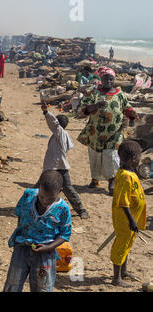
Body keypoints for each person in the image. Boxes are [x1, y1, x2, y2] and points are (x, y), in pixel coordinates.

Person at [3, 170, 72, 292]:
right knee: (13, 284)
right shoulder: (28, 195)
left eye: (50, 198)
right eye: (42, 196)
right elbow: (20, 214)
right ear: (38, 186)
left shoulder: (63, 209)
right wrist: (23, 234)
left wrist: (48, 247)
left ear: (60, 191)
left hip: (45, 255)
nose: (45, 201)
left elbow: (65, 234)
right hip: (22, 248)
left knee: (42, 287)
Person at [77, 67, 138, 195]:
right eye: (106, 78)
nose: (109, 81)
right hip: (95, 133)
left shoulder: (120, 94)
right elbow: (84, 109)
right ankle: (95, 179)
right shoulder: (94, 92)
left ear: (114, 79)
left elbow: (127, 107)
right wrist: (96, 105)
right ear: (101, 79)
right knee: (95, 156)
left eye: (111, 79)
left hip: (114, 134)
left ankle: (112, 182)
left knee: (111, 157)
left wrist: (132, 115)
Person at [39, 102, 90, 219]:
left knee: (45, 187)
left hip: (55, 167)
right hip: (58, 165)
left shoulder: (59, 132)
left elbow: (54, 123)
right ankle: (81, 210)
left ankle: (81, 209)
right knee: (66, 188)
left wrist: (46, 112)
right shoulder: (63, 135)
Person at [110, 140, 146, 287]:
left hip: (131, 217)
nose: (140, 161)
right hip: (125, 219)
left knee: (126, 245)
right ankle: (116, 278)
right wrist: (131, 220)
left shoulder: (129, 172)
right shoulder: (125, 176)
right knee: (121, 245)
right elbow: (123, 202)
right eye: (139, 158)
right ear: (133, 160)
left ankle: (123, 272)